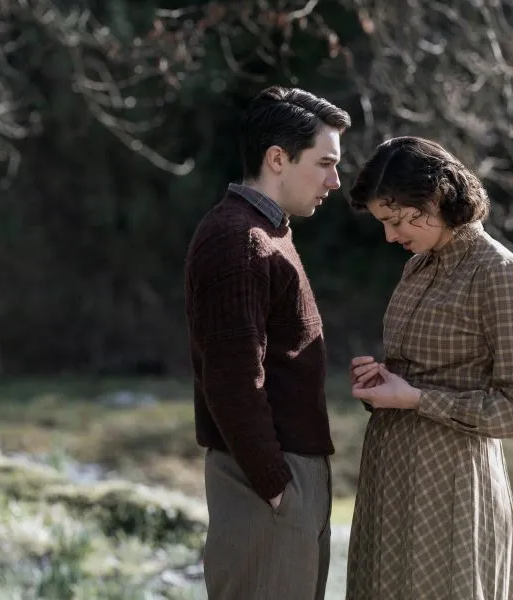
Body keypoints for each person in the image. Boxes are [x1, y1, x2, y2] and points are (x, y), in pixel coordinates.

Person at [345, 136, 513, 599]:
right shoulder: (417, 267)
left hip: (452, 486)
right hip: (389, 475)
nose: (390, 236)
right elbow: (419, 374)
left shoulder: (500, 273)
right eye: (384, 223)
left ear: (435, 198)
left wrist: (418, 399)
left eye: (397, 220)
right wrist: (383, 383)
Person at [184, 85, 351, 600]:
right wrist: (276, 486)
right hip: (264, 486)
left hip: (285, 481)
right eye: (324, 163)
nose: (335, 181)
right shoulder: (239, 239)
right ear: (278, 158)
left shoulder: (266, 233)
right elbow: (232, 378)